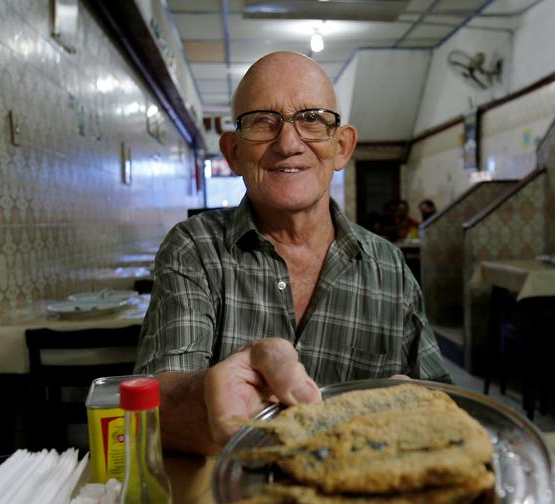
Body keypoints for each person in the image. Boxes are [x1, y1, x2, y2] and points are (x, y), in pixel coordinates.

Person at [135, 52, 450, 454]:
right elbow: (154, 400)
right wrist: (209, 402)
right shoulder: (194, 249)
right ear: (232, 153)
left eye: (313, 119)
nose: (288, 143)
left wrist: (421, 404)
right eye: (263, 121)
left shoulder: (389, 267)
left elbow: (438, 397)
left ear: (341, 147)